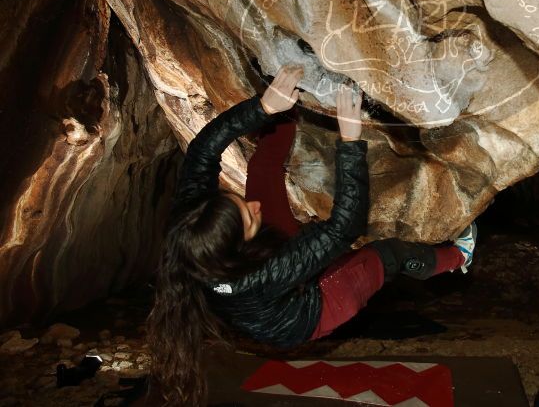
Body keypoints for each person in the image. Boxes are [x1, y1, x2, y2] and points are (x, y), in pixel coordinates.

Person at [145, 65, 477, 406]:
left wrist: (263, 108)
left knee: (263, 167)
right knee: (385, 255)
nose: (254, 207)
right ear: (239, 247)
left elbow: (203, 149)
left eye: (240, 204)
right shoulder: (264, 275)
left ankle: (292, 99)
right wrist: (350, 141)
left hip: (263, 268)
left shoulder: (189, 225)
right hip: (312, 312)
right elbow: (343, 227)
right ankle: (459, 257)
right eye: (249, 217)